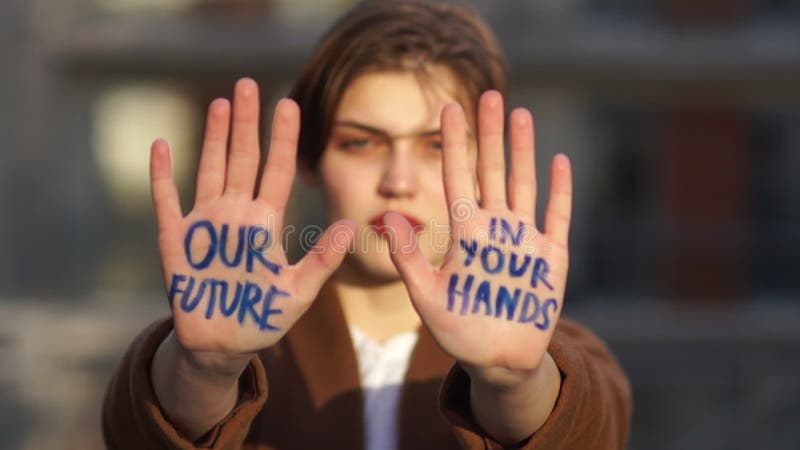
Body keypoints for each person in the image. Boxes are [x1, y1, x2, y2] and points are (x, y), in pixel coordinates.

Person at [102, 1, 632, 449]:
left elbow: (596, 427)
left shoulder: (543, 344)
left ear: (482, 162)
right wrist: (204, 370)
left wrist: (515, 382)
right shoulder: (243, 335)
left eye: (437, 146)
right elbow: (134, 432)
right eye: (361, 142)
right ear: (309, 160)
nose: (398, 181)